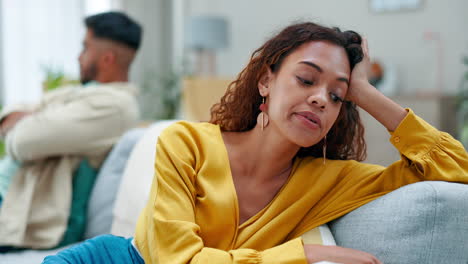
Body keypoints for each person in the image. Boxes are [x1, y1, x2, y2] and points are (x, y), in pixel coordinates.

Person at [43, 22, 467, 264]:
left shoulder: (329, 180)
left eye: (337, 96)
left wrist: (365, 93)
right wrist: (303, 254)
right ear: (266, 80)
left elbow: (458, 169)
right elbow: (180, 263)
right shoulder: (185, 143)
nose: (321, 97)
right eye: (306, 79)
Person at [0, 11, 142, 250]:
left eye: (85, 48)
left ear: (107, 59)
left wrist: (34, 117)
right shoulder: (80, 94)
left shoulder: (115, 106)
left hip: (19, 215)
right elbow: (9, 115)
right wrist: (37, 118)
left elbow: (22, 142)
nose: (78, 56)